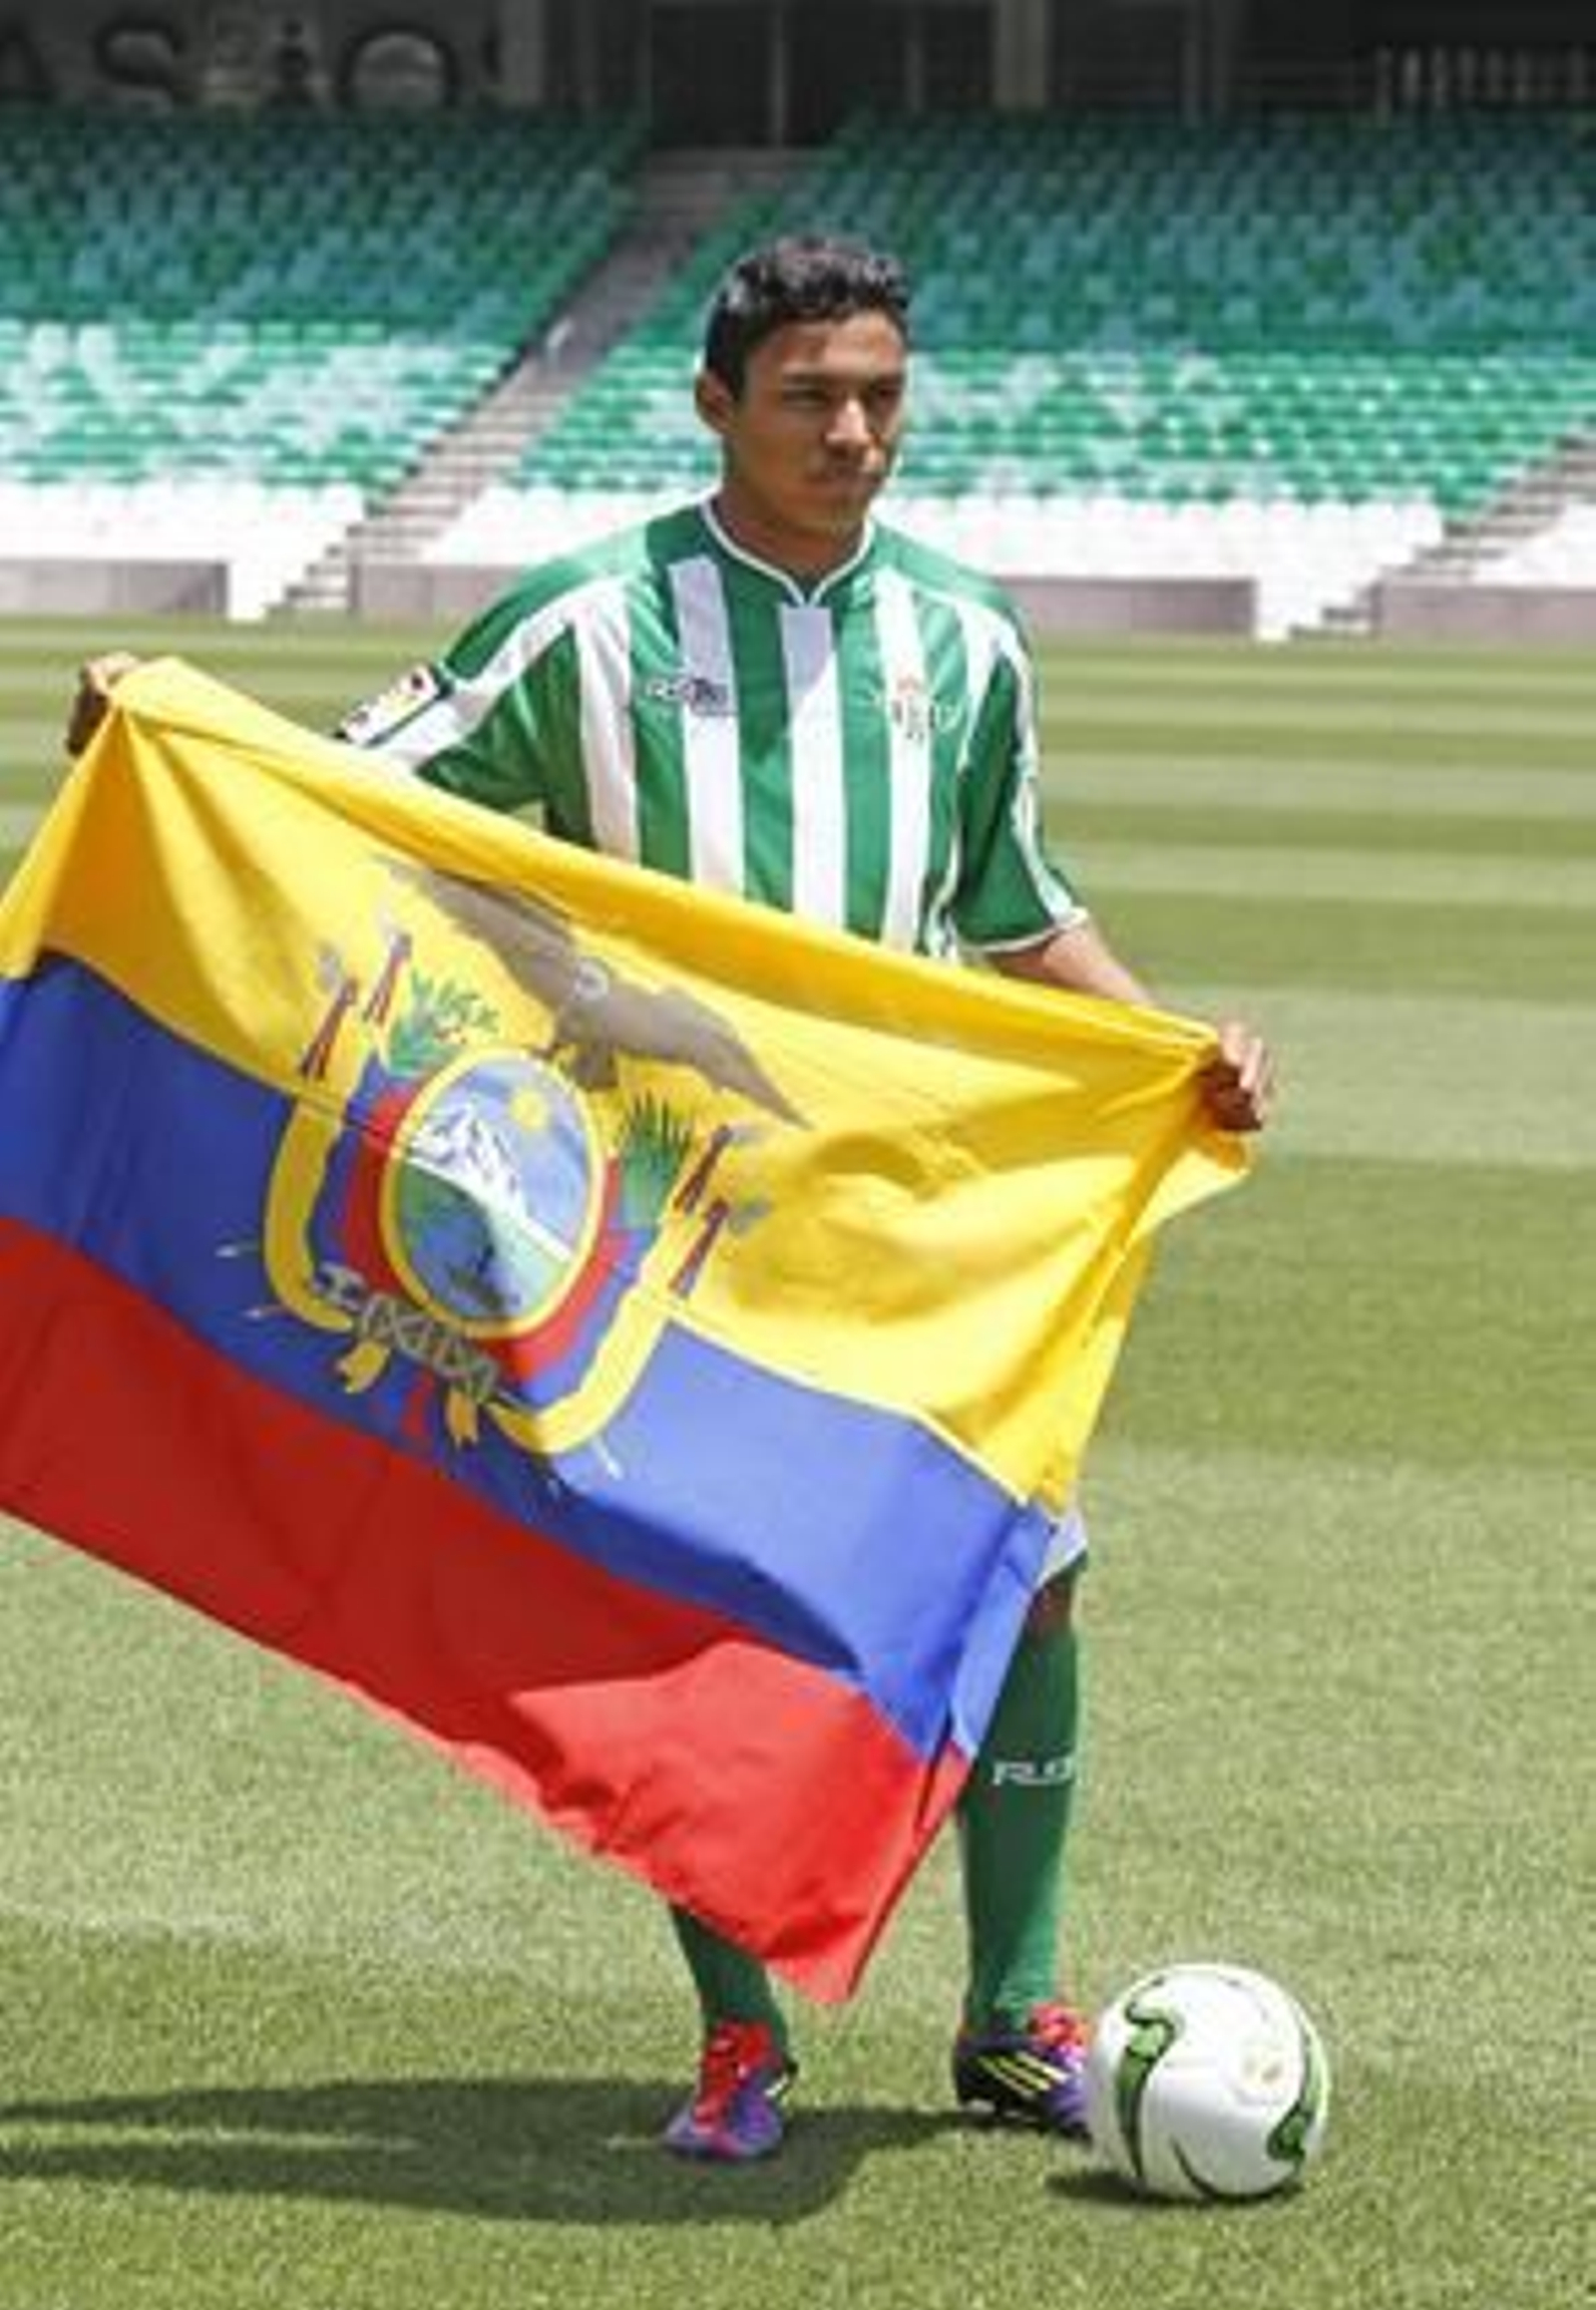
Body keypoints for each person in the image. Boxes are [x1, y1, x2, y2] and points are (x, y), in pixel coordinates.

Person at [70, 235, 1272, 2167]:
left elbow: (1016, 904)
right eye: (808, 394)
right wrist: (171, 724)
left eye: (879, 391)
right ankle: (738, 2037)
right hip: (665, 1218)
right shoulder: (587, 624)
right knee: (694, 1606)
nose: (852, 429)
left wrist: (1168, 1045)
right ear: (713, 405)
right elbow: (349, 792)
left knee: (1023, 1567)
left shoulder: (962, 640)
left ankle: (1010, 2012)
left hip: (891, 1211)